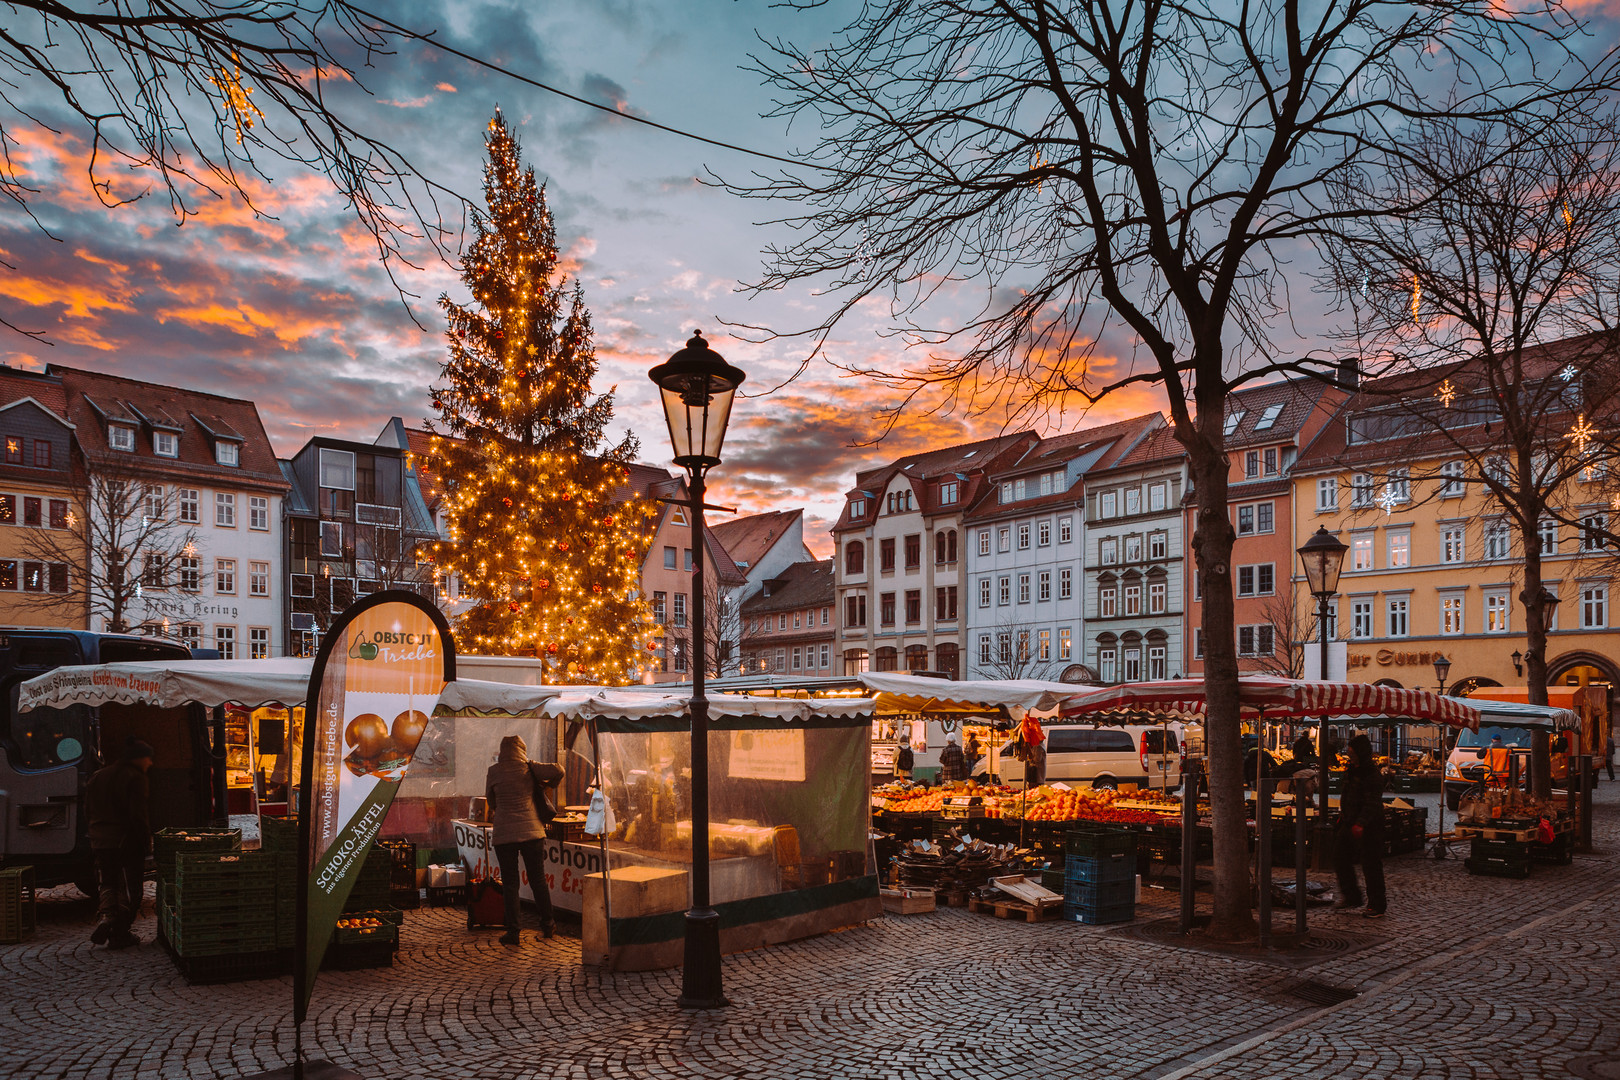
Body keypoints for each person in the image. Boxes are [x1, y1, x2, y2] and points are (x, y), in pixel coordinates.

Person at [485, 735, 555, 944]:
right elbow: (558, 770)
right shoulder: (530, 769)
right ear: (522, 749)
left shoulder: (493, 771)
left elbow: (491, 800)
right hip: (532, 832)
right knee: (538, 881)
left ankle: (514, 932)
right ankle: (548, 925)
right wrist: (534, 766)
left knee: (510, 884)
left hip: (505, 834)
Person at [85, 738, 154, 948]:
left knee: (107, 883)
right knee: (130, 888)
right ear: (138, 758)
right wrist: (146, 842)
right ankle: (120, 932)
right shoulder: (134, 777)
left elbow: (87, 809)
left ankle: (107, 917)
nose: (150, 763)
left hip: (100, 841)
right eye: (148, 758)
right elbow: (137, 816)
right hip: (124, 841)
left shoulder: (98, 776)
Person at [1334, 733, 1386, 918]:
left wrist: (1361, 823)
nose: (1350, 755)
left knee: (1371, 864)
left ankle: (1377, 905)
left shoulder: (1371, 774)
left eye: (1353, 752)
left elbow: (1372, 802)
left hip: (1369, 826)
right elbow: (1347, 794)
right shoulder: (1352, 770)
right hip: (1348, 822)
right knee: (1340, 858)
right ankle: (1352, 896)